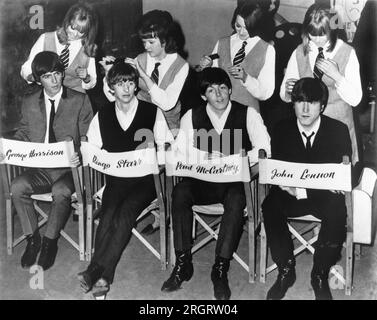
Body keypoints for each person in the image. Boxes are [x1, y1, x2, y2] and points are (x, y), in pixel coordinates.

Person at [161, 67, 270, 300]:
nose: (218, 95)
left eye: (222, 88)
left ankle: (220, 268)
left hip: (232, 183)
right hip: (201, 179)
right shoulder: (192, 115)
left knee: (236, 198)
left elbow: (264, 150)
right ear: (203, 96)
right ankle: (183, 263)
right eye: (211, 90)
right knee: (180, 192)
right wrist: (201, 157)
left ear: (230, 90)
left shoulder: (248, 114)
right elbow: (180, 150)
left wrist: (235, 160)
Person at [78, 62, 173, 298]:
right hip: (117, 179)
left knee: (125, 213)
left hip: (145, 181)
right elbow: (91, 148)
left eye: (131, 82)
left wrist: (155, 155)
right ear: (111, 87)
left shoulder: (152, 112)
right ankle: (98, 274)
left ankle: (100, 273)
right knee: (108, 213)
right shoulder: (104, 114)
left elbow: (168, 146)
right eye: (121, 83)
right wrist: (85, 153)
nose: (127, 88)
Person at [262, 77, 352, 300]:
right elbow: (280, 172)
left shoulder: (338, 130)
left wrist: (305, 189)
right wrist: (289, 185)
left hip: (322, 198)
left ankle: (320, 273)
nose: (304, 108)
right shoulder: (281, 129)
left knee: (337, 209)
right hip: (290, 194)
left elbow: (344, 174)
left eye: (311, 102)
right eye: (299, 101)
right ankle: (286, 269)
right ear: (292, 104)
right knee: (270, 205)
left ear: (322, 106)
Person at [102, 10, 189, 235]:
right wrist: (109, 75)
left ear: (165, 39)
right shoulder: (140, 59)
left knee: (160, 164)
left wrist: (145, 77)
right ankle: (119, 203)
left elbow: (167, 103)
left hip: (168, 126)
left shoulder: (181, 65)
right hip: (140, 123)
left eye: (151, 41)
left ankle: (160, 211)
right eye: (144, 41)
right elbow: (115, 96)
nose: (146, 47)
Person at [8, 51, 93, 271]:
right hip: (40, 167)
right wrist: (9, 150)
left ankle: (49, 243)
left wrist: (80, 154)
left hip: (69, 170)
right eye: (47, 76)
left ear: (63, 73)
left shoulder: (80, 99)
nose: (54, 80)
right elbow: (24, 132)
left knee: (61, 191)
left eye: (57, 73)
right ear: (38, 79)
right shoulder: (29, 102)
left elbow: (88, 137)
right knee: (17, 186)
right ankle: (33, 238)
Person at [279, 4, 362, 165]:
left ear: (333, 29)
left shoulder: (348, 53)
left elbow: (356, 99)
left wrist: (337, 76)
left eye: (322, 34)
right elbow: (284, 95)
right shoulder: (298, 52)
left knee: (337, 183)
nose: (316, 39)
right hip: (308, 130)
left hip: (339, 130)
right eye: (312, 33)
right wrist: (289, 90)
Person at [198, 2, 275, 113]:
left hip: (248, 114)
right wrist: (206, 68)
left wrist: (245, 78)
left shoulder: (267, 49)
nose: (242, 32)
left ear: (257, 25)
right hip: (219, 111)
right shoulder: (222, 43)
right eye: (238, 26)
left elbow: (265, 93)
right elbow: (210, 81)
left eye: (247, 27)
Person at [21, 2, 98, 93]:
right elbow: (26, 68)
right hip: (48, 93)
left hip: (75, 96)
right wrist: (33, 77)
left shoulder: (89, 48)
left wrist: (86, 77)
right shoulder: (45, 39)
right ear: (67, 21)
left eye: (81, 32)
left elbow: (92, 82)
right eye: (73, 28)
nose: (75, 34)